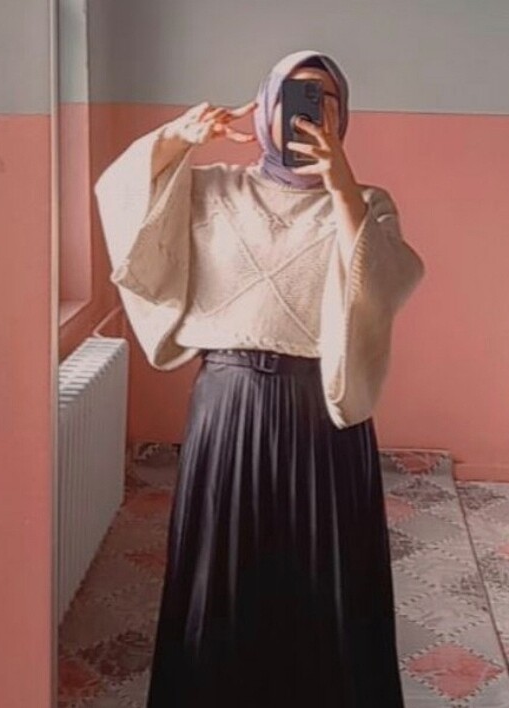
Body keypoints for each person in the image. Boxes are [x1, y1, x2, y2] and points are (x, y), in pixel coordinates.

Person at [93, 49, 425, 707]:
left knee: (325, 575)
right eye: (294, 95)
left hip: (322, 411)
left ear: (343, 114)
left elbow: (387, 284)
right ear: (266, 108)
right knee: (223, 571)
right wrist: (177, 137)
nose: (309, 109)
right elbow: (121, 202)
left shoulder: (366, 202)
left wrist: (342, 188)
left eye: (325, 96)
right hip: (230, 404)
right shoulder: (212, 189)